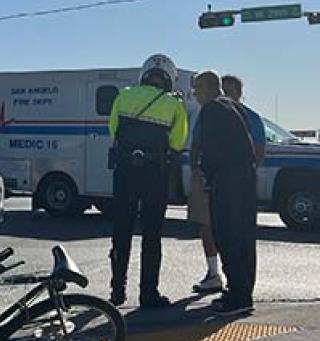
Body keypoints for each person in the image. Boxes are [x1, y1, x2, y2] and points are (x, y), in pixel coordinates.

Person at [106, 53, 189, 309]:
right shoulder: (173, 104)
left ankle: (117, 290)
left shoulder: (124, 95)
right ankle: (148, 294)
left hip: (125, 172)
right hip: (154, 174)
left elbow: (113, 130)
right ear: (168, 79)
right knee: (151, 236)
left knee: (121, 231)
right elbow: (178, 142)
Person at [189, 71, 259, 316]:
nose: (194, 94)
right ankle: (243, 292)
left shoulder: (211, 111)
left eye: (196, 88)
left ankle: (237, 296)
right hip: (246, 180)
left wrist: (205, 175)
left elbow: (210, 148)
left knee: (227, 236)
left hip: (227, 182)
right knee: (244, 238)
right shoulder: (235, 108)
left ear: (208, 87)